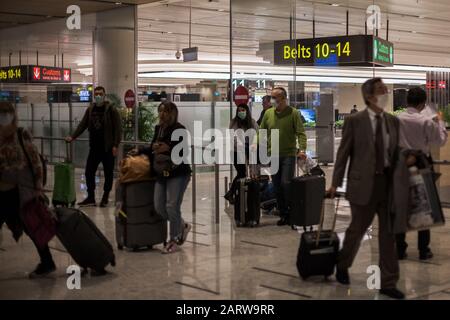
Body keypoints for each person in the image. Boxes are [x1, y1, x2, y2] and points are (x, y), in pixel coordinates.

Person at [328, 78, 404, 299]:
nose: (385, 92)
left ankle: (388, 282)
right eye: (382, 90)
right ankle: (342, 264)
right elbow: (343, 155)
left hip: (387, 185)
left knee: (388, 235)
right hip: (362, 185)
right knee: (357, 230)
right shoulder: (355, 121)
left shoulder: (393, 121)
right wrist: (335, 183)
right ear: (370, 96)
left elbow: (395, 152)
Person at [0, 102, 56, 278]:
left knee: (32, 226)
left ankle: (47, 262)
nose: (4, 116)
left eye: (7, 112)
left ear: (13, 115)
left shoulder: (21, 133)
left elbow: (35, 160)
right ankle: (47, 262)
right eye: (1, 113)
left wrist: (39, 184)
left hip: (21, 191)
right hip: (2, 191)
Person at [395, 87, 447, 261]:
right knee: (424, 206)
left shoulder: (397, 119)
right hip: (422, 163)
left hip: (401, 165)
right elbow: (439, 141)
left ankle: (400, 249)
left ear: (407, 101)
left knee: (401, 206)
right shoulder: (426, 121)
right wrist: (440, 122)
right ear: (423, 103)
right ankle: (423, 250)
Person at [139, 101, 192, 254]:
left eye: (166, 111)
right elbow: (153, 147)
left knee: (172, 206)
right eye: (160, 111)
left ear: (173, 113)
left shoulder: (179, 129)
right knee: (159, 207)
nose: (162, 114)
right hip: (162, 173)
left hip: (178, 173)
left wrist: (169, 147)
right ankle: (183, 226)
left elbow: (183, 152)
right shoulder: (159, 129)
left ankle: (174, 240)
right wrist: (141, 149)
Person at [66, 86, 122, 207]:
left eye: (100, 94)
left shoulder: (111, 110)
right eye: (96, 94)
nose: (98, 96)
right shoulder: (91, 109)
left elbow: (118, 129)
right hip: (95, 147)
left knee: (108, 173)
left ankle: (105, 196)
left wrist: (115, 145)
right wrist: (73, 136)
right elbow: (83, 124)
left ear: (104, 95)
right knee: (89, 172)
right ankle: (90, 197)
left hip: (107, 148)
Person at [259, 87, 307, 226]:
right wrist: (256, 144)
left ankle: (292, 212)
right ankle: (283, 213)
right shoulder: (268, 113)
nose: (272, 100)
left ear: (284, 98)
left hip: (288, 154)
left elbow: (301, 133)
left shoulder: (294, 113)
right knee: (276, 186)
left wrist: (302, 149)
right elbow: (262, 131)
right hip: (273, 154)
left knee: (286, 183)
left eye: (275, 97)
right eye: (271, 97)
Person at [224, 104, 258, 204]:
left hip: (248, 151)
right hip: (236, 152)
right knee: (242, 173)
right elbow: (234, 137)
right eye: (239, 110)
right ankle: (231, 193)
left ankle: (234, 194)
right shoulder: (234, 122)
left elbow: (257, 134)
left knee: (244, 174)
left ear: (247, 111)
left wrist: (254, 143)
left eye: (243, 110)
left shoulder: (252, 122)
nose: (241, 112)